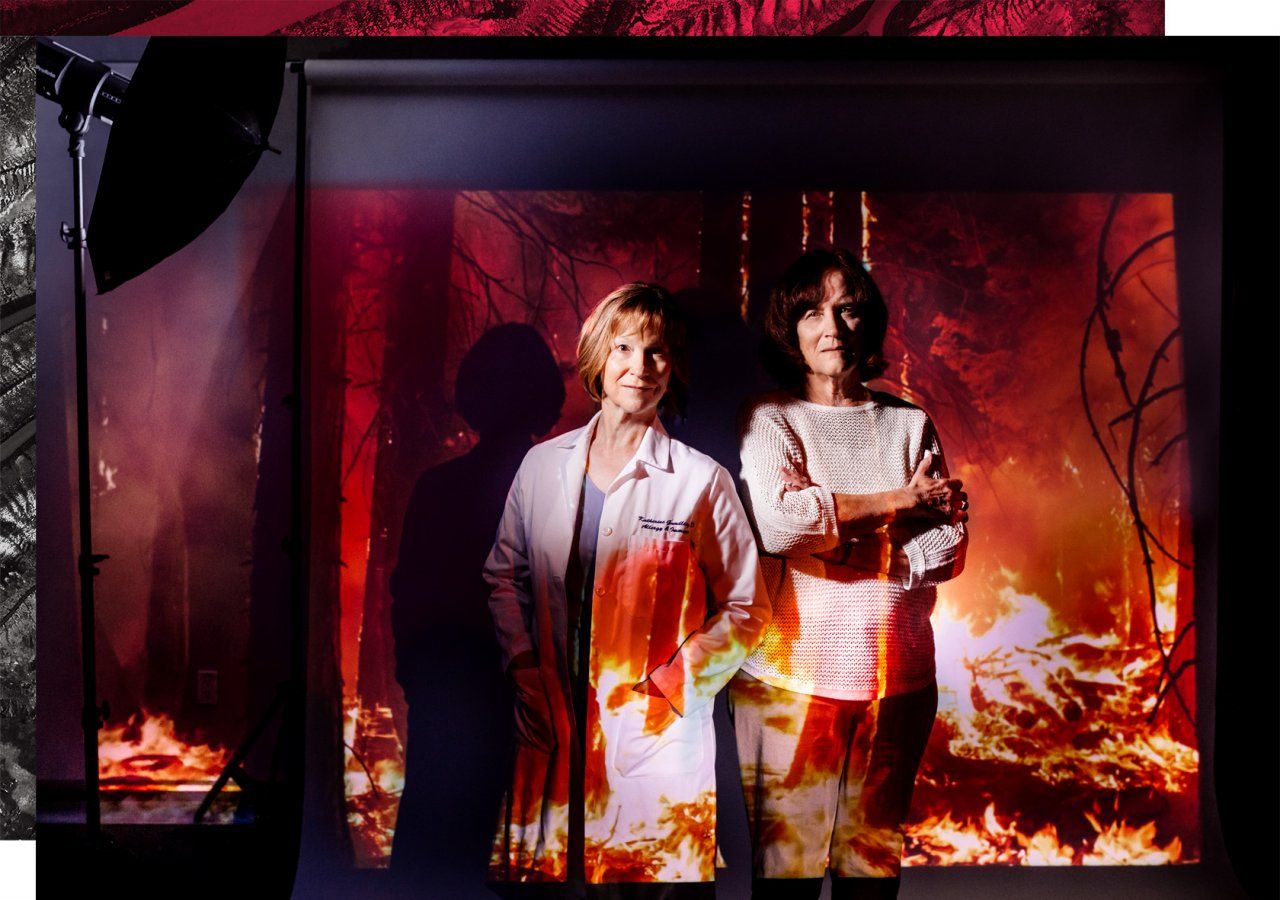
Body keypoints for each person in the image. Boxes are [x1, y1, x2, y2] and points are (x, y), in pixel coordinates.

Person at [484, 283, 770, 897]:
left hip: (653, 736)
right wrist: (525, 664)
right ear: (597, 358)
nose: (639, 368)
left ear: (674, 367)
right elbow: (504, 575)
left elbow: (748, 607)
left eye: (657, 353)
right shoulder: (542, 467)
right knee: (555, 886)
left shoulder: (699, 481)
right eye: (623, 348)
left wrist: (674, 687)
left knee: (644, 882)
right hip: (555, 716)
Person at [731, 249, 969, 900]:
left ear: (868, 323)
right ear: (792, 329)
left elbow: (949, 547)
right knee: (788, 882)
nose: (831, 325)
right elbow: (781, 528)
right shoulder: (768, 420)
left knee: (869, 881)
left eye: (847, 308)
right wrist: (899, 504)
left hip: (898, 690)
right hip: (790, 687)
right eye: (812, 312)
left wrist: (842, 542)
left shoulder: (909, 423)